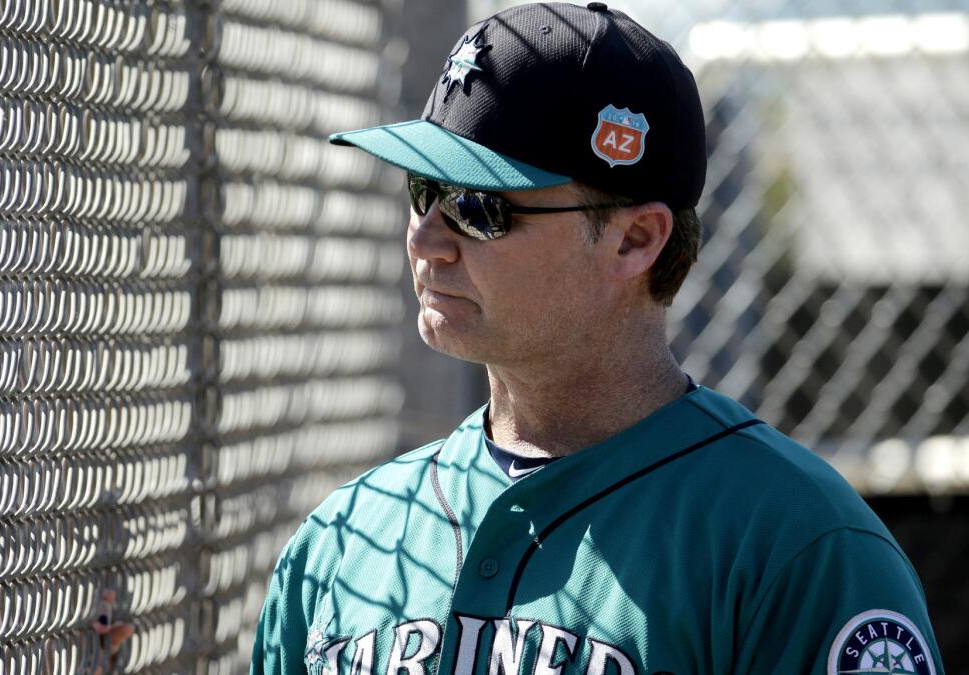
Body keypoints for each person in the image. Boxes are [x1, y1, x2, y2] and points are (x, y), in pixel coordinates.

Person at [251, 3, 944, 674]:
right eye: (422, 189)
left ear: (635, 240)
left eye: (478, 207)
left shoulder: (794, 543)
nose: (428, 238)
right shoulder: (345, 537)